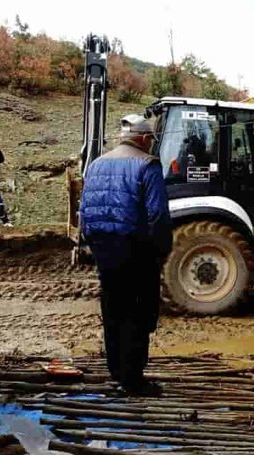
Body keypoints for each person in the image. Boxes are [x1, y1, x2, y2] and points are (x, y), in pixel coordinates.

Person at [79, 114, 172, 396]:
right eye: (150, 140)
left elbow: (85, 210)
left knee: (113, 310)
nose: (151, 144)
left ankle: (117, 371)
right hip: (136, 249)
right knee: (137, 313)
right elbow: (158, 214)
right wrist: (161, 250)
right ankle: (133, 380)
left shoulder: (96, 164)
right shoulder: (148, 165)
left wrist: (93, 243)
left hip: (103, 248)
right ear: (143, 139)